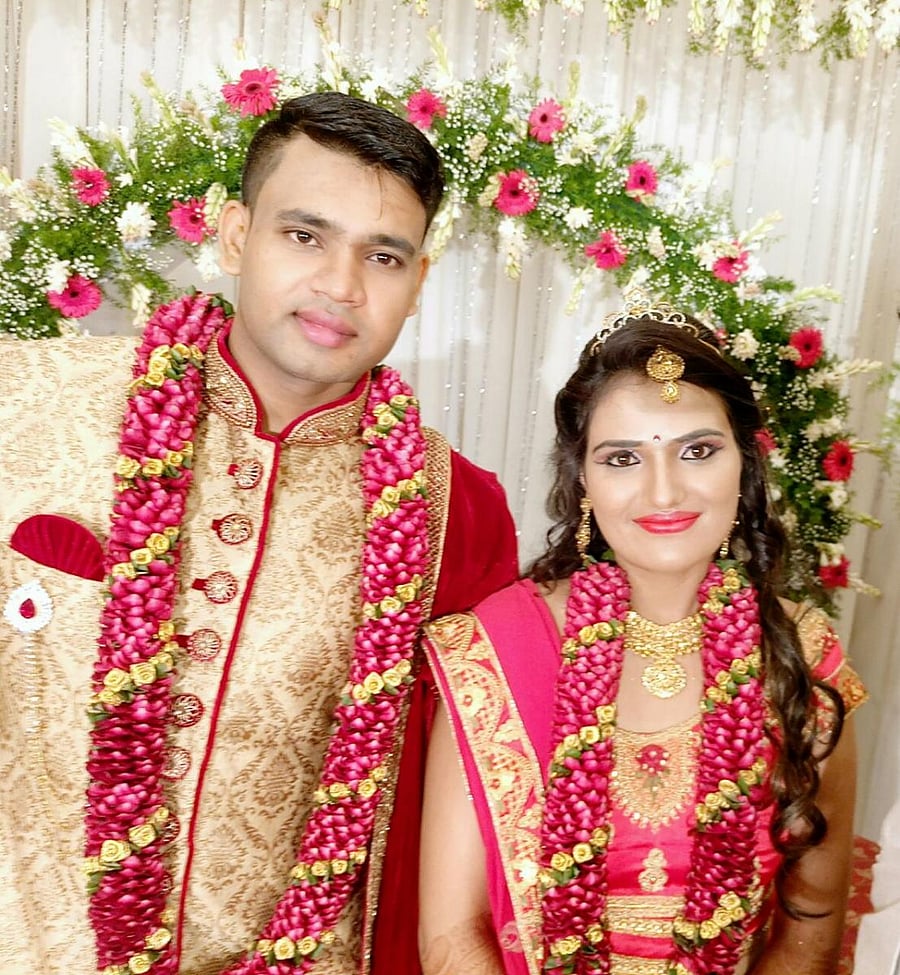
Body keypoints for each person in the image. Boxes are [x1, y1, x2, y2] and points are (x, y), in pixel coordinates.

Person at [0, 92, 518, 975]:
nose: (341, 286)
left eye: (382, 256)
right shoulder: (26, 398)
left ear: (418, 282)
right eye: (305, 235)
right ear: (236, 235)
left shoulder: (452, 510)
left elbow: (466, 827)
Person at [419, 293, 866, 975]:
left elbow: (811, 918)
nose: (663, 493)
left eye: (697, 450)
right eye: (623, 458)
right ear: (584, 482)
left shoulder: (803, 656)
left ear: (743, 465)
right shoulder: (495, 651)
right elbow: (453, 936)